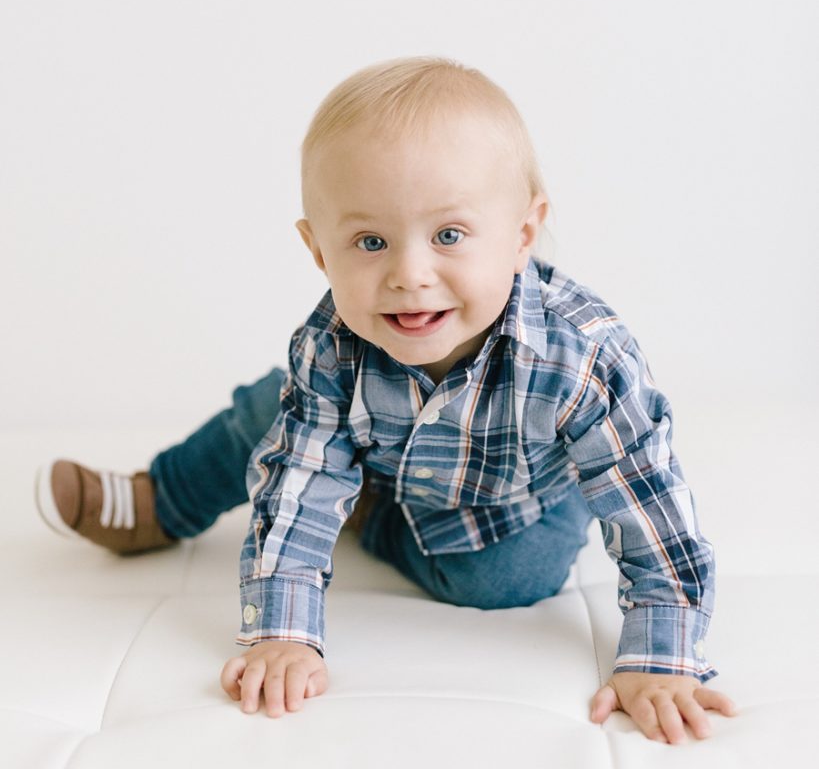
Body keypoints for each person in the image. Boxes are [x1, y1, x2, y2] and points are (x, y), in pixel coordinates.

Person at [36, 56, 738, 745]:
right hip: (365, 442)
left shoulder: (579, 356)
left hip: (512, 494)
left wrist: (657, 656)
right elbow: (299, 485)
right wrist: (283, 633)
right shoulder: (331, 347)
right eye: (370, 241)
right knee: (268, 419)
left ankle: (369, 512)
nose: (409, 274)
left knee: (508, 578)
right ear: (318, 251)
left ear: (522, 234)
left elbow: (650, 506)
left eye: (449, 236)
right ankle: (162, 498)